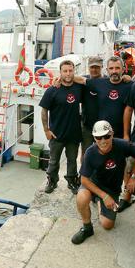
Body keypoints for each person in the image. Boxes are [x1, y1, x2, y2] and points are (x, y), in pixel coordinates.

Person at [71, 120, 135, 244]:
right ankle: (87, 227)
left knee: (107, 225)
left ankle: (98, 201)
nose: (103, 141)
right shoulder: (90, 153)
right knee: (81, 197)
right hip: (93, 185)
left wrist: (133, 176)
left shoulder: (122, 145)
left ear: (112, 134)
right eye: (98, 137)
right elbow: (84, 179)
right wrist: (104, 196)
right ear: (94, 138)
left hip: (112, 188)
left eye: (106, 136)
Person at [40, 59, 83, 194]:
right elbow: (44, 110)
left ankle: (72, 181)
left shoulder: (79, 88)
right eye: (65, 71)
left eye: (70, 70)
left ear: (74, 71)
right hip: (56, 134)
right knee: (53, 161)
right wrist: (46, 130)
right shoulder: (52, 90)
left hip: (74, 134)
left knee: (72, 161)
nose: (68, 74)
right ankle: (52, 181)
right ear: (60, 73)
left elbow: (88, 81)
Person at [80, 56, 104, 155]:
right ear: (88, 67)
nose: (94, 70)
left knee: (102, 153)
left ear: (102, 67)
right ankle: (84, 170)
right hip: (87, 126)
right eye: (92, 67)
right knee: (85, 153)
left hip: (103, 126)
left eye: (97, 67)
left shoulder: (107, 81)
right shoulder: (82, 81)